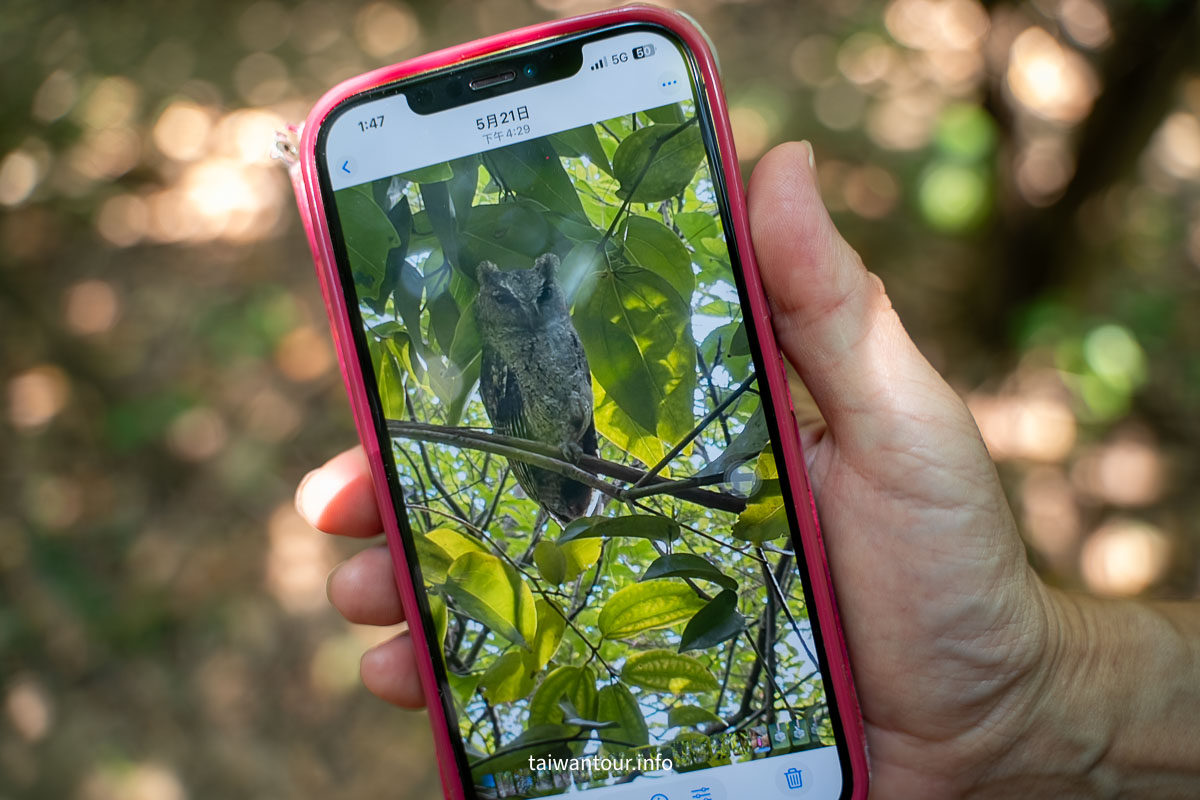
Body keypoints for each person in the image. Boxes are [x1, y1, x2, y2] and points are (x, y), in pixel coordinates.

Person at [295, 142, 1200, 798]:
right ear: (487, 304)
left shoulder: (564, 328)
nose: (526, 311)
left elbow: (569, 395)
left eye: (535, 293)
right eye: (507, 299)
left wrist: (1027, 693)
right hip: (546, 462)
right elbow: (512, 409)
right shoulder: (498, 351)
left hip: (574, 455)